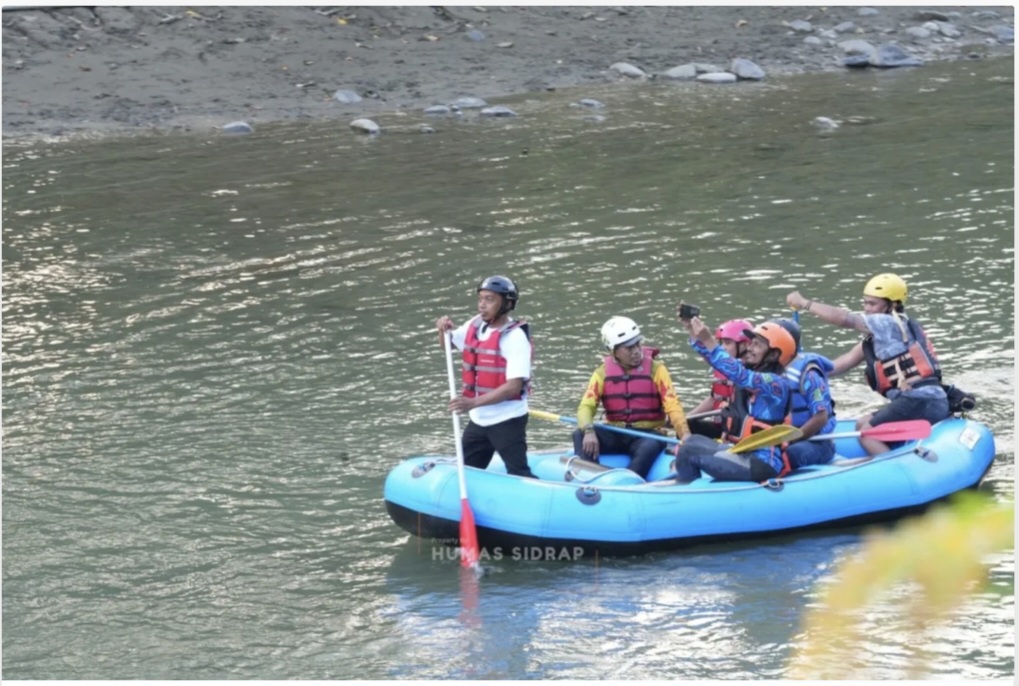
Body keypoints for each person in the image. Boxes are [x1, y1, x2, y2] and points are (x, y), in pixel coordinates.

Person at [786, 273, 950, 456]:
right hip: (918, 401)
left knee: (867, 435)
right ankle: (888, 454)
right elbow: (843, 362)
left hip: (921, 400)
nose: (867, 308)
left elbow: (844, 319)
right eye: (865, 303)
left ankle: (893, 470)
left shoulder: (888, 323)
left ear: (892, 305)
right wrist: (808, 369)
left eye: (873, 304)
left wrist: (804, 303)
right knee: (861, 423)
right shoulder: (881, 336)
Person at [673, 310, 796, 484]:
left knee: (687, 451)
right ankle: (690, 485)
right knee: (691, 440)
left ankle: (685, 495)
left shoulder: (775, 382)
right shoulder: (754, 371)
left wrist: (709, 340)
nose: (750, 348)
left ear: (774, 355)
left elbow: (740, 375)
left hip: (761, 463)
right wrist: (693, 332)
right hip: (743, 452)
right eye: (751, 343)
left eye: (757, 345)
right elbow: (715, 359)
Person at [436, 275, 536, 478]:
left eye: (489, 300)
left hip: (507, 420)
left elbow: (513, 387)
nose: (482, 305)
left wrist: (472, 403)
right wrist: (442, 330)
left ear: (506, 304)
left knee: (518, 472)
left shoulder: (515, 338)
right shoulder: (475, 325)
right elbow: (449, 345)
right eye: (480, 299)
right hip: (479, 421)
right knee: (466, 473)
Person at [572, 316, 692, 479]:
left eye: (637, 344)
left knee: (649, 446)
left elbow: (673, 405)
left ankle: (628, 481)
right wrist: (589, 430)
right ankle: (590, 477)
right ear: (614, 351)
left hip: (647, 435)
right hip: (616, 431)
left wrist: (684, 434)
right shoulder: (601, 373)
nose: (636, 351)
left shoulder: (657, 370)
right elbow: (586, 407)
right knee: (579, 434)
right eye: (629, 348)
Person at [774, 317, 838, 468]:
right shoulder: (770, 370)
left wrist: (791, 440)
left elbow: (820, 417)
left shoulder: (809, 374)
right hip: (781, 436)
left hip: (816, 442)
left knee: (788, 454)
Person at [686, 319, 753, 439]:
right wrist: (686, 418)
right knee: (687, 425)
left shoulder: (747, 374)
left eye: (727, 343)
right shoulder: (724, 367)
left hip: (737, 432)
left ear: (744, 345)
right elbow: (714, 399)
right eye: (721, 343)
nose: (723, 347)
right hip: (720, 426)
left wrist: (725, 437)